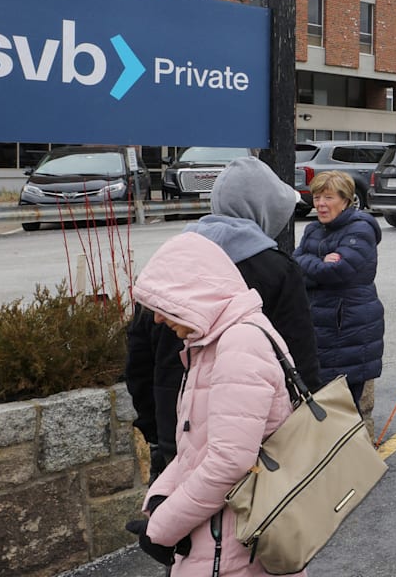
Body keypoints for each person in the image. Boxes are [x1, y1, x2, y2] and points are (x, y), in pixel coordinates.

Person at [126, 156, 320, 482]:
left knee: (177, 521)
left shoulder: (173, 259)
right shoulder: (277, 271)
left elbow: (138, 358)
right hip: (254, 442)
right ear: (266, 210)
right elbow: (299, 362)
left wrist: (155, 428)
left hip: (175, 429)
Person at [125, 233, 299, 576]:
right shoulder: (213, 342)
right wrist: (160, 498)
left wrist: (162, 530)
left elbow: (229, 464)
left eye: (164, 304)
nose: (157, 319)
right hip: (221, 535)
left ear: (195, 292)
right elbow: (198, 442)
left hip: (233, 546)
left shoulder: (239, 345)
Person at [294, 169, 384, 413]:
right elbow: (294, 266)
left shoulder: (360, 230)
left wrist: (314, 266)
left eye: (329, 198)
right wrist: (320, 262)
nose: (321, 204)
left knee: (342, 413)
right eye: (317, 198)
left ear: (346, 200)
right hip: (319, 333)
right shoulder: (313, 229)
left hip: (348, 332)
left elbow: (337, 272)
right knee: (318, 411)